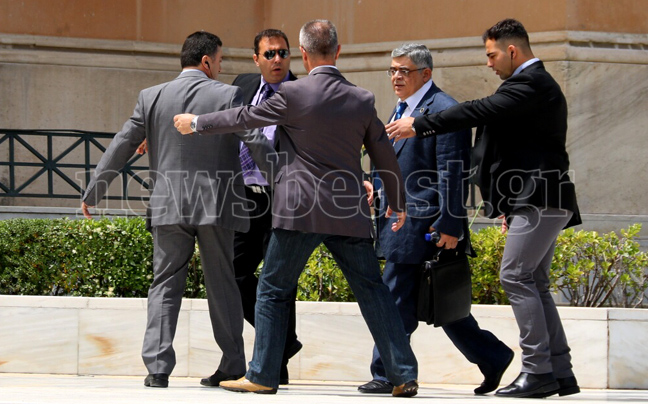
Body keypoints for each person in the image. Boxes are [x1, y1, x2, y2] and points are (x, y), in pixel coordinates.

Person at [174, 19, 419, 397]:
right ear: (338, 51)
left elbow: (244, 117)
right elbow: (383, 152)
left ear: (303, 54)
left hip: (299, 211)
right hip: (347, 211)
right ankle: (402, 374)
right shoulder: (362, 98)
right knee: (373, 291)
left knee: (272, 289)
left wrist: (196, 122)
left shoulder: (293, 93)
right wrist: (398, 201)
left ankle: (262, 374)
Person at [385, 19, 581, 399]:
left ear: (512, 50)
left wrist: (419, 125)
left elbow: (477, 111)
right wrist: (508, 204)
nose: (488, 63)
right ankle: (559, 371)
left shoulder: (531, 83)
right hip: (536, 198)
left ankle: (538, 370)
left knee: (516, 276)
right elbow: (520, 150)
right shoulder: (531, 87)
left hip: (540, 198)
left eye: (492, 55)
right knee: (534, 280)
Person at [82, 31, 275, 388]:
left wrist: (94, 191)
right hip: (216, 205)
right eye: (219, 60)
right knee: (222, 284)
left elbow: (123, 143)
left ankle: (157, 368)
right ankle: (232, 363)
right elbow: (256, 142)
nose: (221, 67)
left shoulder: (151, 97)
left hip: (168, 204)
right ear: (206, 61)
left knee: (165, 283)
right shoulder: (229, 95)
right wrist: (285, 183)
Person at [358, 43, 514, 396]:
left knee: (395, 297)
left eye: (404, 71)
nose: (396, 77)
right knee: (443, 303)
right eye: (393, 70)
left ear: (426, 73)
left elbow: (452, 172)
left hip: (423, 224)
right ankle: (492, 356)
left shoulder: (444, 110)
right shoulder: (402, 107)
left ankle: (389, 373)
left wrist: (449, 224)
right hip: (401, 221)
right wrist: (377, 187)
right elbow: (399, 162)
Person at [226, 28, 302, 387]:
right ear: (256, 58)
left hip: (282, 197)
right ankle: (283, 342)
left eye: (283, 53)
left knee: (280, 279)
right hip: (245, 196)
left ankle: (276, 363)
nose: (277, 60)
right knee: (235, 272)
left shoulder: (302, 92)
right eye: (269, 54)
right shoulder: (241, 85)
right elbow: (214, 116)